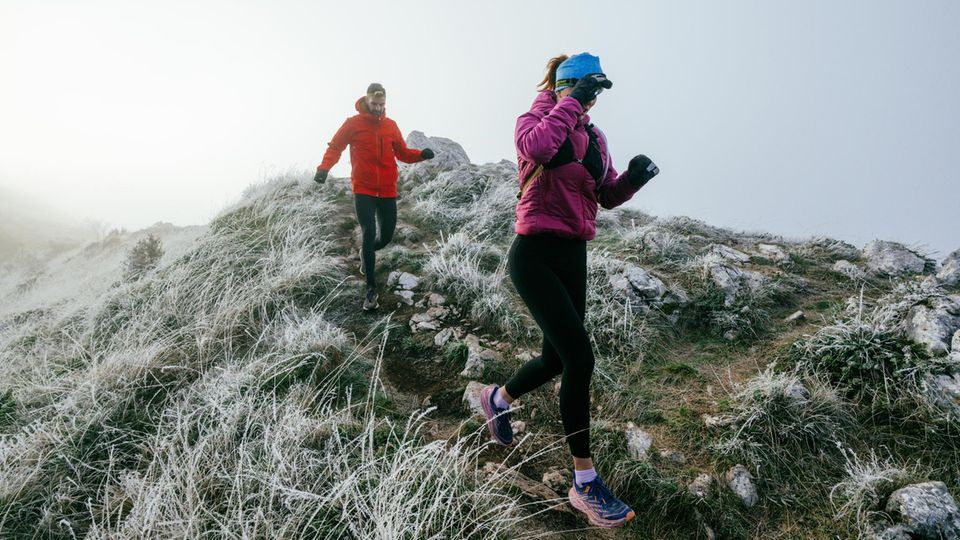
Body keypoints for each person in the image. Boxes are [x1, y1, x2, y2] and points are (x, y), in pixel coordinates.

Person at [480, 53, 660, 528]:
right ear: (567, 85)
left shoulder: (595, 137)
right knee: (580, 359)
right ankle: (584, 482)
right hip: (534, 251)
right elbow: (537, 150)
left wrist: (634, 180)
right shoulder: (536, 118)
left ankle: (498, 399)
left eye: (595, 93)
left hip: (573, 254)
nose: (593, 100)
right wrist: (570, 101)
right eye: (587, 89)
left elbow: (603, 195)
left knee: (559, 358)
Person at [314, 83, 435, 311]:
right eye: (375, 104)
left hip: (387, 189)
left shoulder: (391, 126)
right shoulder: (353, 124)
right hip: (364, 189)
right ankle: (371, 289)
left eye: (382, 105)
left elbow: (402, 153)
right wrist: (324, 168)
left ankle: (365, 253)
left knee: (386, 236)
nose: (379, 108)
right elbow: (335, 147)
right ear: (366, 101)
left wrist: (421, 155)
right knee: (368, 233)